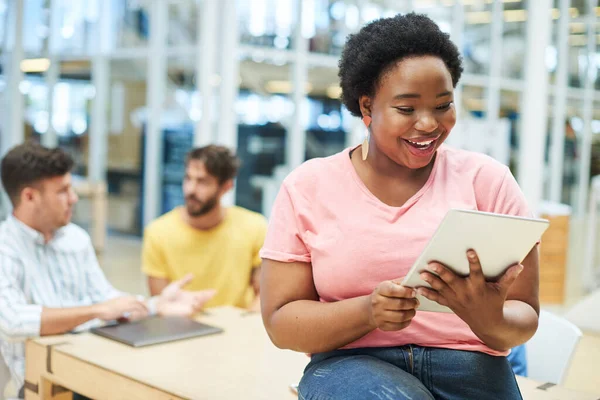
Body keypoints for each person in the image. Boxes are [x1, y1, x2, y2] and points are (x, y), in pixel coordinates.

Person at [260, 13, 539, 400]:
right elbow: (280, 323)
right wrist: (368, 313)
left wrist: (487, 317)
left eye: (443, 106)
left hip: (471, 365)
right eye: (406, 110)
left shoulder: (487, 181)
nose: (428, 124)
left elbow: (525, 316)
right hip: (351, 365)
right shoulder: (308, 187)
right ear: (368, 108)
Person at [0, 142, 215, 397]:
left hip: (94, 365)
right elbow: (13, 321)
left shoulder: (75, 239)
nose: (73, 198)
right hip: (45, 382)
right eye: (63, 191)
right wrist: (97, 311)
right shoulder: (6, 247)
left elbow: (105, 298)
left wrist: (157, 305)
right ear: (29, 197)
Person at [142, 145, 267, 309]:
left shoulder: (255, 227)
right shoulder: (157, 232)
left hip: (237, 325)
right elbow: (160, 304)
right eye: (188, 178)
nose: (191, 190)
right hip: (182, 325)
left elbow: (263, 296)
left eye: (203, 182)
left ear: (226, 187)